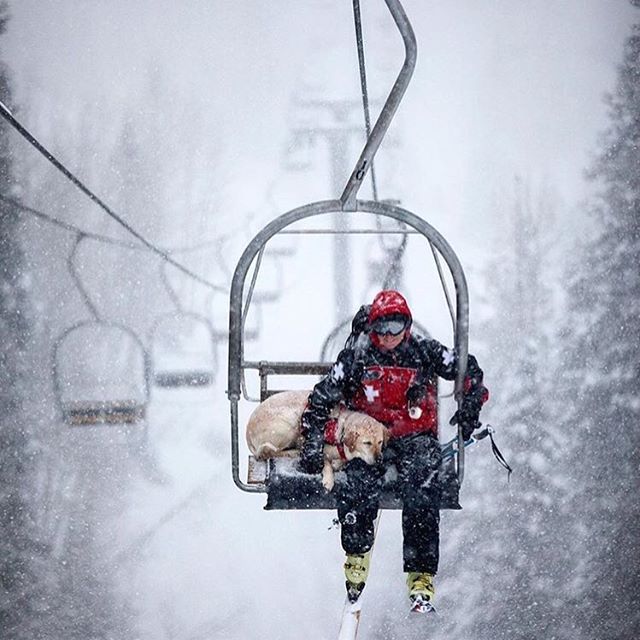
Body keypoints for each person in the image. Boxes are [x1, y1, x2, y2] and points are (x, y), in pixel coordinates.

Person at [299, 290, 488, 612]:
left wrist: (471, 405)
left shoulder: (424, 353)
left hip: (414, 436)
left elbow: (467, 369)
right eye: (382, 329)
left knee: (422, 482)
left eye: (396, 327)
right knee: (358, 479)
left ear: (408, 326)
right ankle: (356, 555)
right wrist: (314, 438)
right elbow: (323, 396)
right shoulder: (357, 356)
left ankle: (420, 573)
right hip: (369, 433)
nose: (388, 337)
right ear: (372, 328)